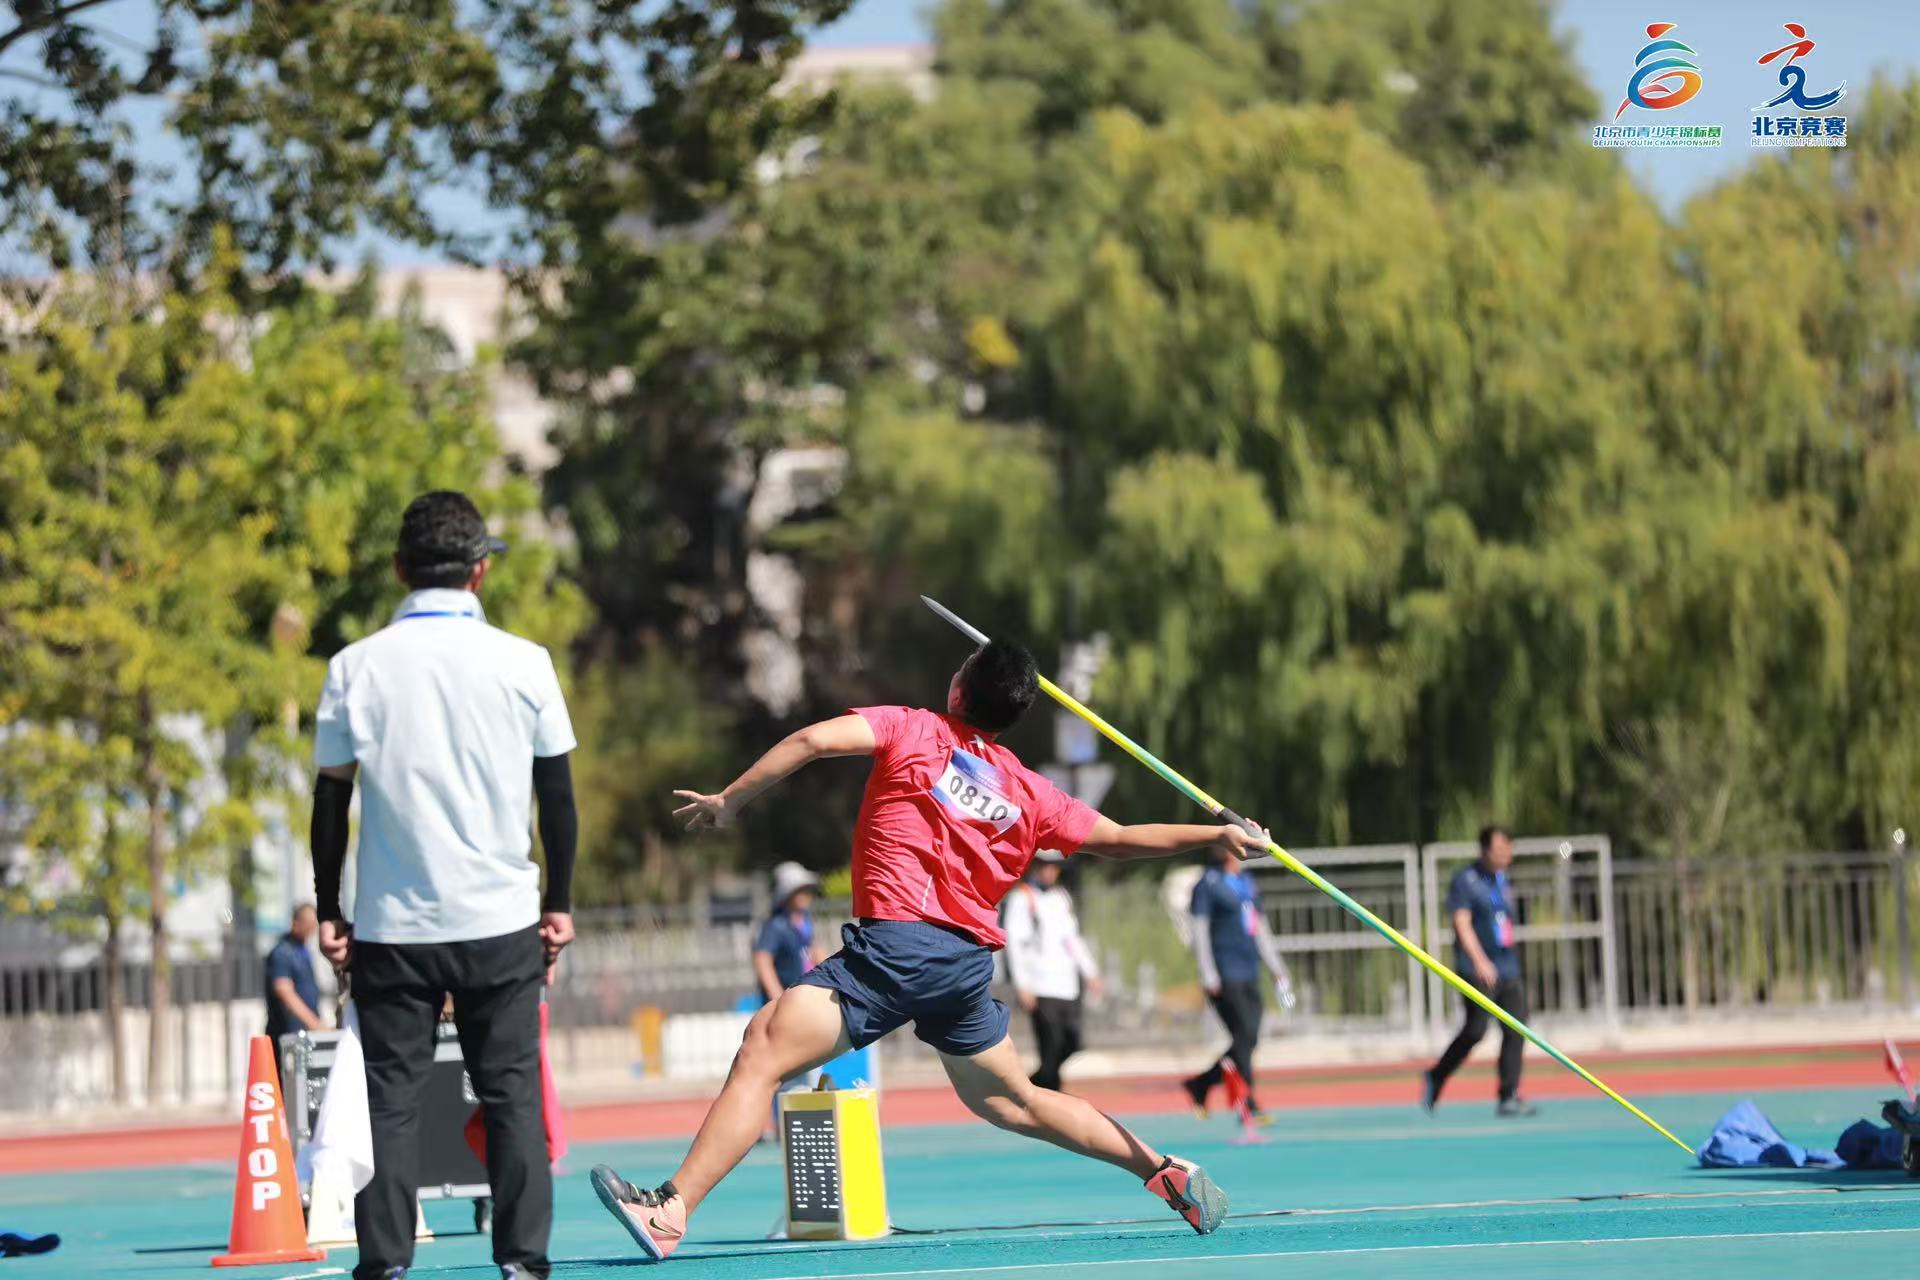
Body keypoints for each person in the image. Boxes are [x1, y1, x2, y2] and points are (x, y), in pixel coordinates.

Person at [590, 638, 1271, 1261]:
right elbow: (1119, 838)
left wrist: (732, 800)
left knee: (764, 1044)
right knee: (1013, 1102)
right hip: (963, 967)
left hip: (898, 949)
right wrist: (1215, 834)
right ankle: (1161, 1169)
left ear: (957, 693)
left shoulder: (912, 728)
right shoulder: (1031, 793)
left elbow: (810, 740)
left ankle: (670, 1210)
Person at [309, 490, 580, 1280]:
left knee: (390, 1102)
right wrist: (556, 904)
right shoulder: (526, 663)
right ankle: (523, 1263)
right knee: (511, 1099)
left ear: (400, 569)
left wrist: (331, 909)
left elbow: (330, 799)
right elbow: (557, 800)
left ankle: (386, 1264)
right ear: (481, 571)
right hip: (500, 920)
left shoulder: (353, 667)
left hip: (393, 925)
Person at [1421, 824, 1536, 1117]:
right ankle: (1437, 1075)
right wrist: (1480, 959)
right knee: (1476, 1028)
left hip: (1507, 966)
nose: (1505, 855)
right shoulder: (1466, 880)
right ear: (1485, 850)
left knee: (1517, 1025)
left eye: (1508, 850)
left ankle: (1508, 1094)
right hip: (1475, 967)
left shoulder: (1504, 879)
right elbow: (1461, 922)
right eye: (1499, 850)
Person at [1181, 843, 1293, 1122]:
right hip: (1224, 973)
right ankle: (1249, 1103)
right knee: (1243, 1036)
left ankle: (1202, 1083)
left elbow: (1260, 929)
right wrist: (1208, 974)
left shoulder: (1245, 882)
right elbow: (1200, 933)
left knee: (1249, 1037)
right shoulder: (1207, 885)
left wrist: (1276, 967)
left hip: (1248, 970)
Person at [1002, 849, 1101, 1091]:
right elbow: (1015, 944)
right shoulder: (1022, 898)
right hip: (1041, 985)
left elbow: (1072, 938)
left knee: (1073, 1042)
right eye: (1045, 866)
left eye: (1054, 866)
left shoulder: (1060, 897)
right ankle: (1051, 1100)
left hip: (1066, 984)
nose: (1050, 871)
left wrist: (1090, 971)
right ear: (1035, 866)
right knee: (1051, 1047)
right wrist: (1023, 985)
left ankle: (1029, 1090)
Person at [753, 862, 825, 1005]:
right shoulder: (775, 925)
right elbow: (762, 960)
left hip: (804, 998)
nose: (807, 895)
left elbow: (815, 951)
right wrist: (778, 1000)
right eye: (801, 891)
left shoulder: (804, 920)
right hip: (786, 1003)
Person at [266, 904, 327, 1044]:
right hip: (288, 1034)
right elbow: (284, 991)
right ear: (296, 923)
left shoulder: (302, 951)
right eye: (310, 925)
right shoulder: (282, 953)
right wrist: (315, 1024)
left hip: (306, 1033)